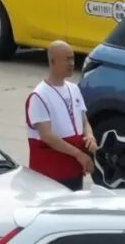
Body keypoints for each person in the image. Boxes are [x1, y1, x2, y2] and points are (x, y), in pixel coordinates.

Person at [26, 41, 98, 191]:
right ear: (53, 61)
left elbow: (84, 121)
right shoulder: (39, 95)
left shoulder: (74, 89)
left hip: (73, 169)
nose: (72, 63)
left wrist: (90, 136)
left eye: (72, 58)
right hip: (51, 173)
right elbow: (47, 136)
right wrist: (79, 154)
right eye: (67, 59)